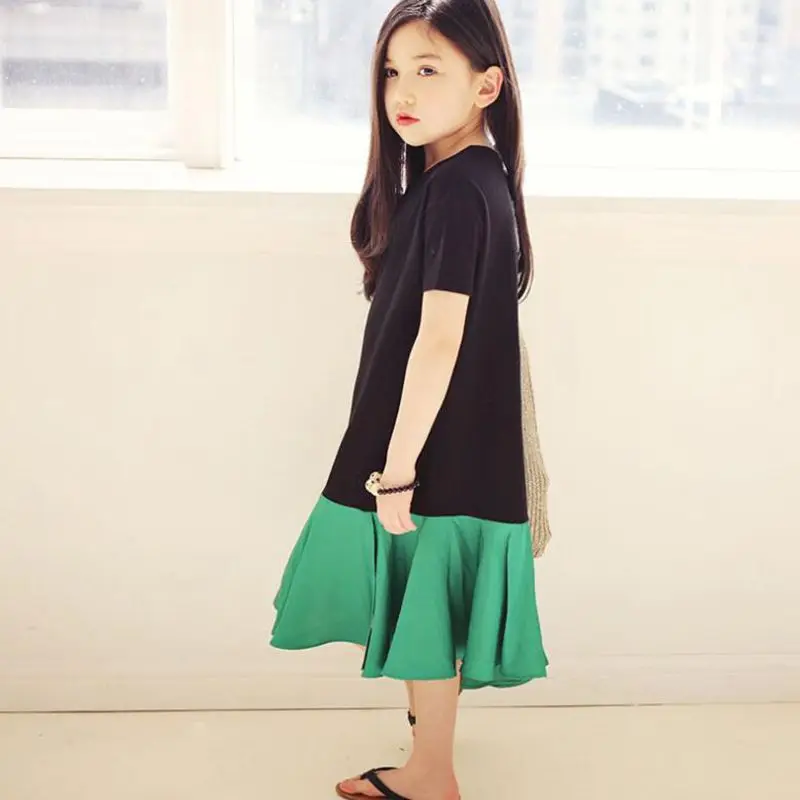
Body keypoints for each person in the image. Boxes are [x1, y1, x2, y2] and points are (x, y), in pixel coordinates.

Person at [270, 0, 549, 797]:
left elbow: (440, 338)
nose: (404, 91)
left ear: (487, 85)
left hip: (433, 442)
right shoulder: (464, 178)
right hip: (442, 434)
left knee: (426, 599)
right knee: (423, 596)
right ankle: (428, 747)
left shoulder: (461, 188)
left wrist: (397, 467)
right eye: (393, 71)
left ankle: (430, 773)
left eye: (429, 70)